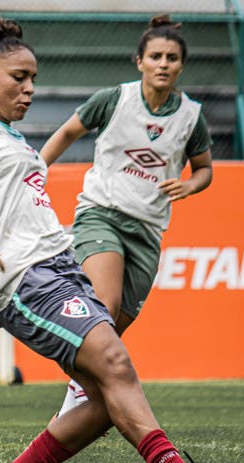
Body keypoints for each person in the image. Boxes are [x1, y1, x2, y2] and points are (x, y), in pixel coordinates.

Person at [0, 14, 225, 463]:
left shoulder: (11, 138)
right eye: (19, 78)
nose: (30, 88)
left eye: (33, 79)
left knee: (107, 395)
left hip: (60, 271)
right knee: (115, 363)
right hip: (26, 281)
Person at [38, 13, 214, 417]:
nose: (163, 63)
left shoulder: (191, 117)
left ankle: (75, 395)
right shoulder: (114, 99)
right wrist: (34, 171)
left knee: (113, 331)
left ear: (181, 65)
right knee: (104, 304)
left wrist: (189, 185)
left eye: (171, 57)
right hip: (102, 214)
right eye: (155, 56)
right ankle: (78, 393)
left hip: (148, 231)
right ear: (140, 61)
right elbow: (68, 131)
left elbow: (204, 170)